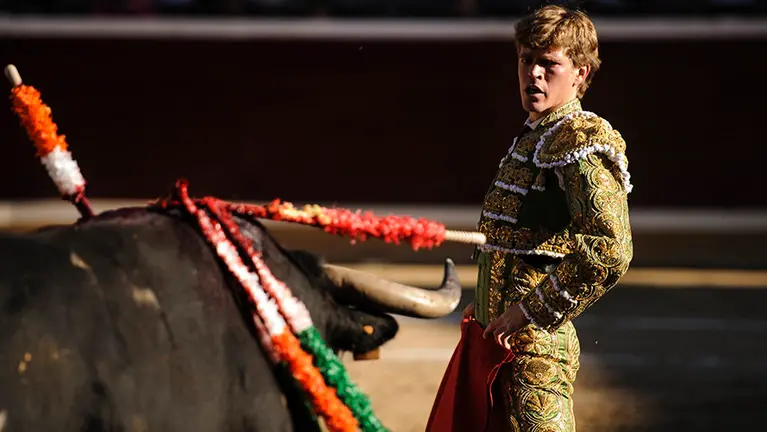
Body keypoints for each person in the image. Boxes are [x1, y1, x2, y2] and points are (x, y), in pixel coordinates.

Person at [426, 5, 634, 432]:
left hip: (535, 351)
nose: (534, 74)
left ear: (579, 73)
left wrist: (529, 311)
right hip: (495, 342)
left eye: (549, 64)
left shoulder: (578, 141)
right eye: (526, 60)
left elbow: (610, 250)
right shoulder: (536, 137)